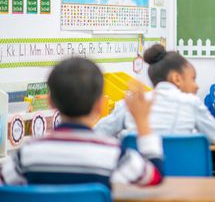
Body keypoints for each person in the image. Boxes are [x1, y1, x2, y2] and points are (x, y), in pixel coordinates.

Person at [0, 57, 163, 187]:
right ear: (100, 104)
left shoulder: (27, 153)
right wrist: (142, 122)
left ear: (50, 102)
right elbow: (154, 177)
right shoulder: (113, 153)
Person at [95, 44, 215, 144]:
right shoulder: (191, 103)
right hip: (183, 176)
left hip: (139, 176)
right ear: (176, 78)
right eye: (192, 78)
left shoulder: (131, 104)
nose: (196, 85)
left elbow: (97, 132)